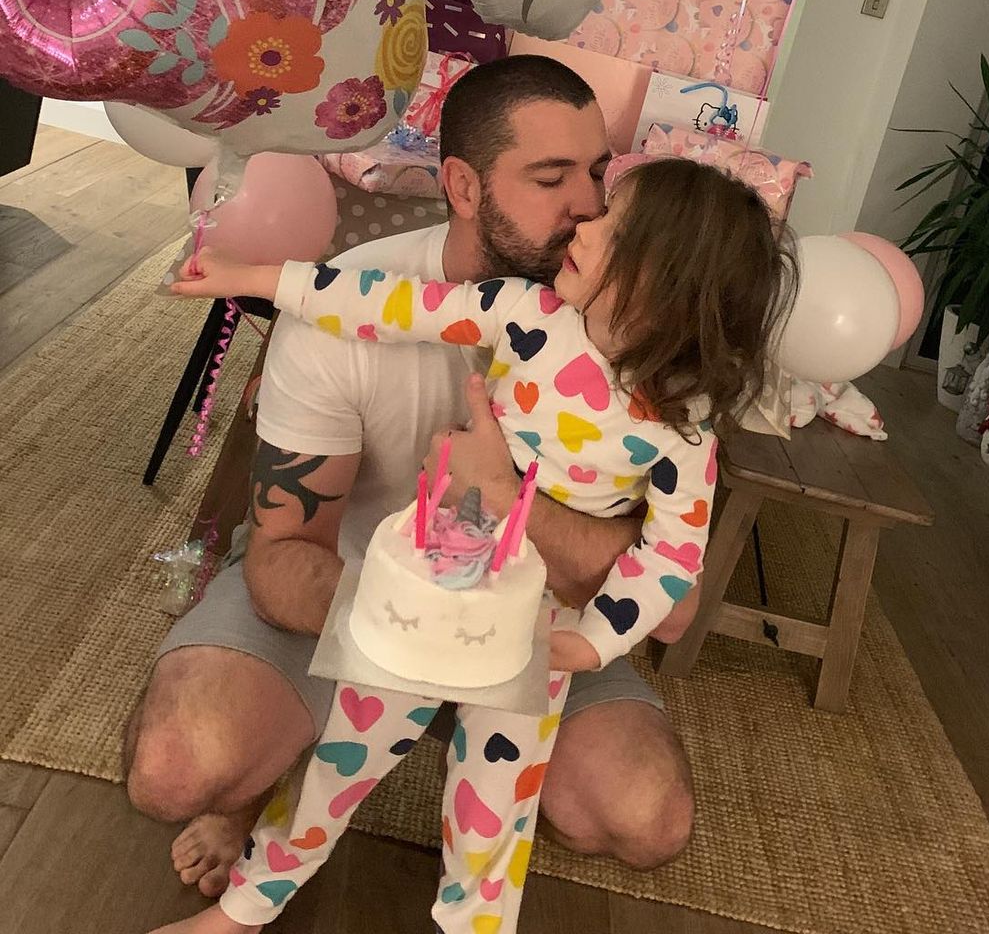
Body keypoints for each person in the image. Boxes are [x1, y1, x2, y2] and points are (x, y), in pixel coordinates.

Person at [150, 154, 792, 933]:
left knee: (494, 820)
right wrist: (254, 276)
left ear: (659, 284)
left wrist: (590, 645)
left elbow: (671, 562)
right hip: (426, 588)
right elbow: (384, 304)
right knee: (340, 765)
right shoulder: (526, 312)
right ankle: (246, 908)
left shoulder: (684, 435)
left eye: (609, 223)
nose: (581, 222)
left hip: (534, 634)